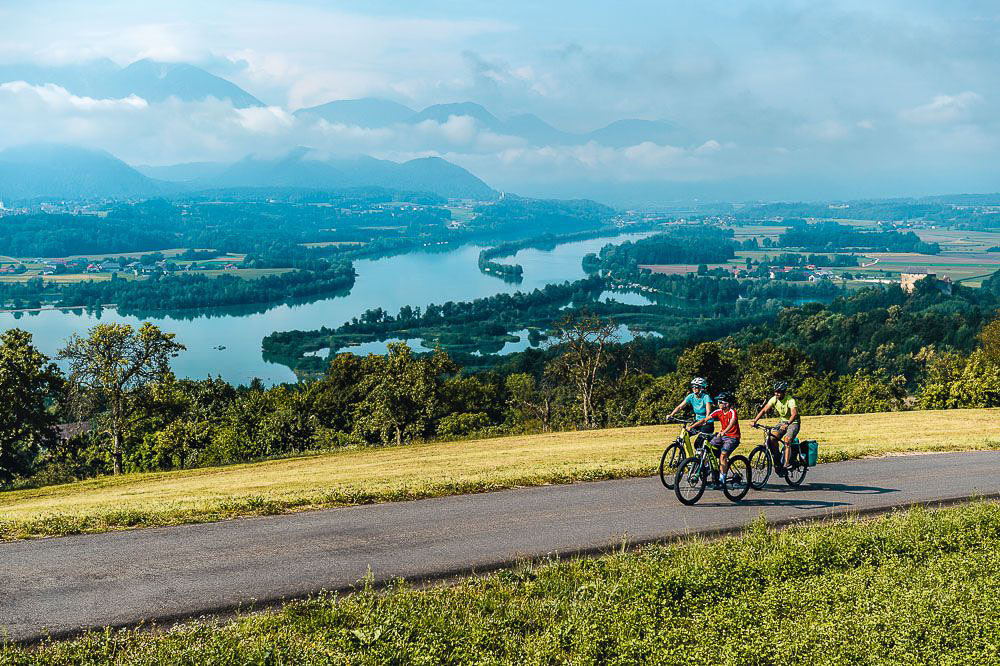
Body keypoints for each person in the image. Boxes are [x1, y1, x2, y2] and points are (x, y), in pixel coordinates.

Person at [688, 391, 740, 488]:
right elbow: (705, 420)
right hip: (721, 436)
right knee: (707, 449)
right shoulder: (718, 412)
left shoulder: (732, 412)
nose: (718, 403)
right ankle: (710, 470)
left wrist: (724, 431)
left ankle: (722, 479)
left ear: (727, 403)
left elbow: (732, 423)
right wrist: (692, 427)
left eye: (720, 402)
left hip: (732, 437)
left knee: (723, 455)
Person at [752, 381, 800, 476]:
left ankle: (787, 463)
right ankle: (777, 460)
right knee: (772, 438)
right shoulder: (774, 399)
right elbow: (765, 409)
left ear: (783, 392)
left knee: (787, 439)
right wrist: (755, 420)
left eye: (779, 392)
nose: (776, 394)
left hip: (793, 422)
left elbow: (794, 414)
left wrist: (787, 423)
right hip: (782, 422)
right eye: (775, 392)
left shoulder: (790, 400)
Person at [668, 377, 714, 444]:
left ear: (702, 388)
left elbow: (708, 411)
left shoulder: (706, 397)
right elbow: (680, 407)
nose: (694, 388)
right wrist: (671, 414)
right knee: (685, 435)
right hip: (697, 422)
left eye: (696, 387)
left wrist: (706, 419)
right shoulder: (691, 396)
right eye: (693, 386)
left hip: (707, 424)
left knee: (698, 444)